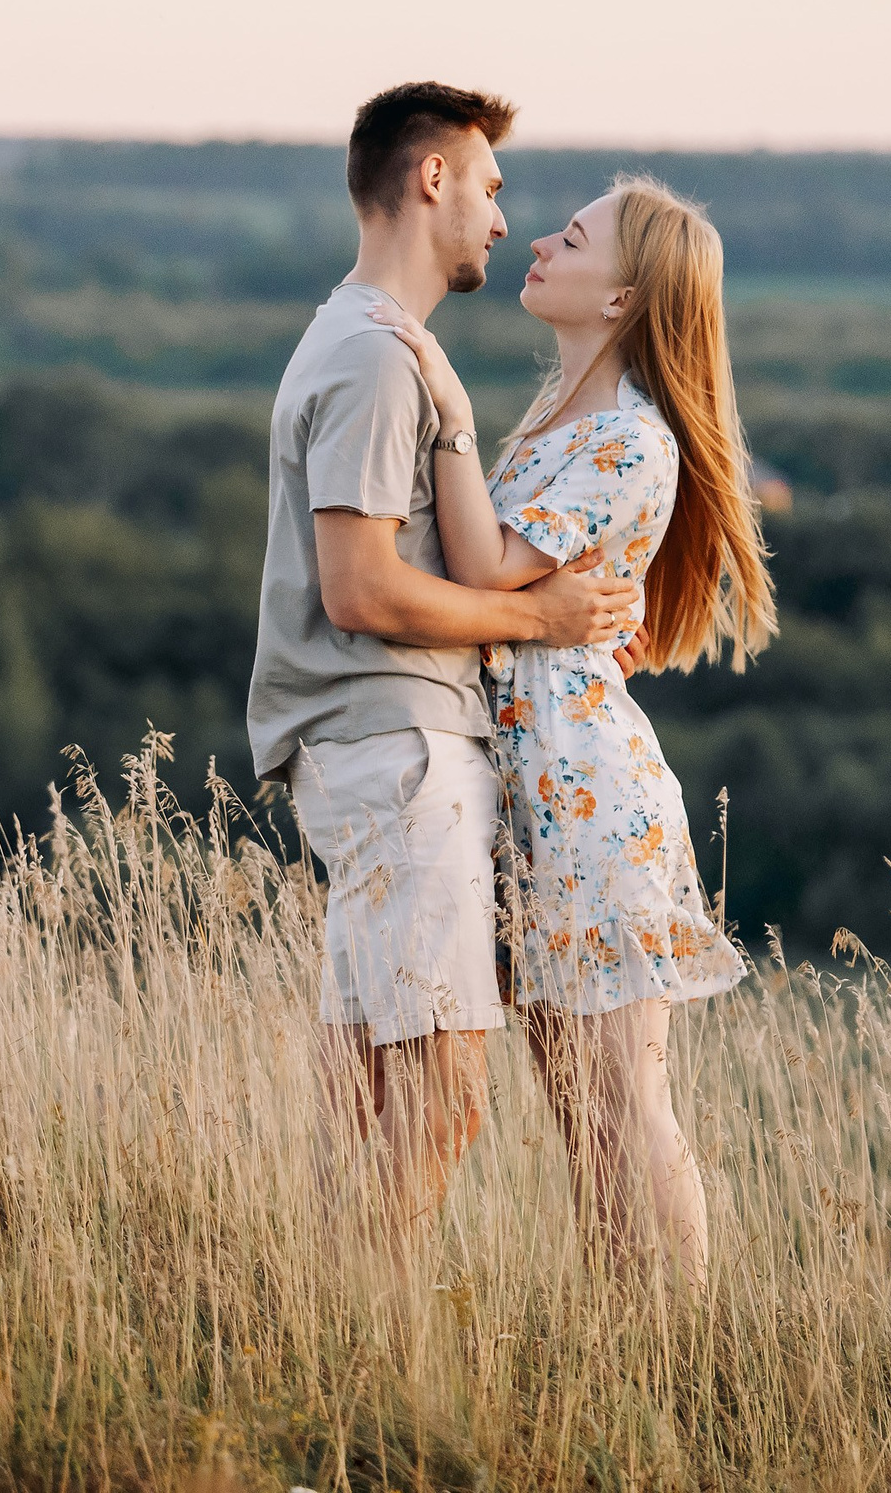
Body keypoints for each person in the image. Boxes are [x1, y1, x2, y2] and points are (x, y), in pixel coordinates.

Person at [365, 175, 777, 1289]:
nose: (539, 240)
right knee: (579, 1113)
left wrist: (439, 407)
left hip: (588, 805)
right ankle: (625, 1355)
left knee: (619, 1109)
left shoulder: (627, 442)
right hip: (538, 805)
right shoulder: (562, 422)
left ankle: (675, 1356)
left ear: (622, 296)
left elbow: (487, 568)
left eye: (574, 237)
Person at [247, 82, 639, 1233]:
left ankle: (322, 1330)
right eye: (490, 187)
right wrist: (544, 622)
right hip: (396, 748)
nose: (503, 220)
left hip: (377, 747)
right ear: (432, 180)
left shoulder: (377, 347)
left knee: (369, 1085)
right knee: (441, 1090)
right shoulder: (375, 360)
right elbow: (360, 588)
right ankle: (372, 1346)